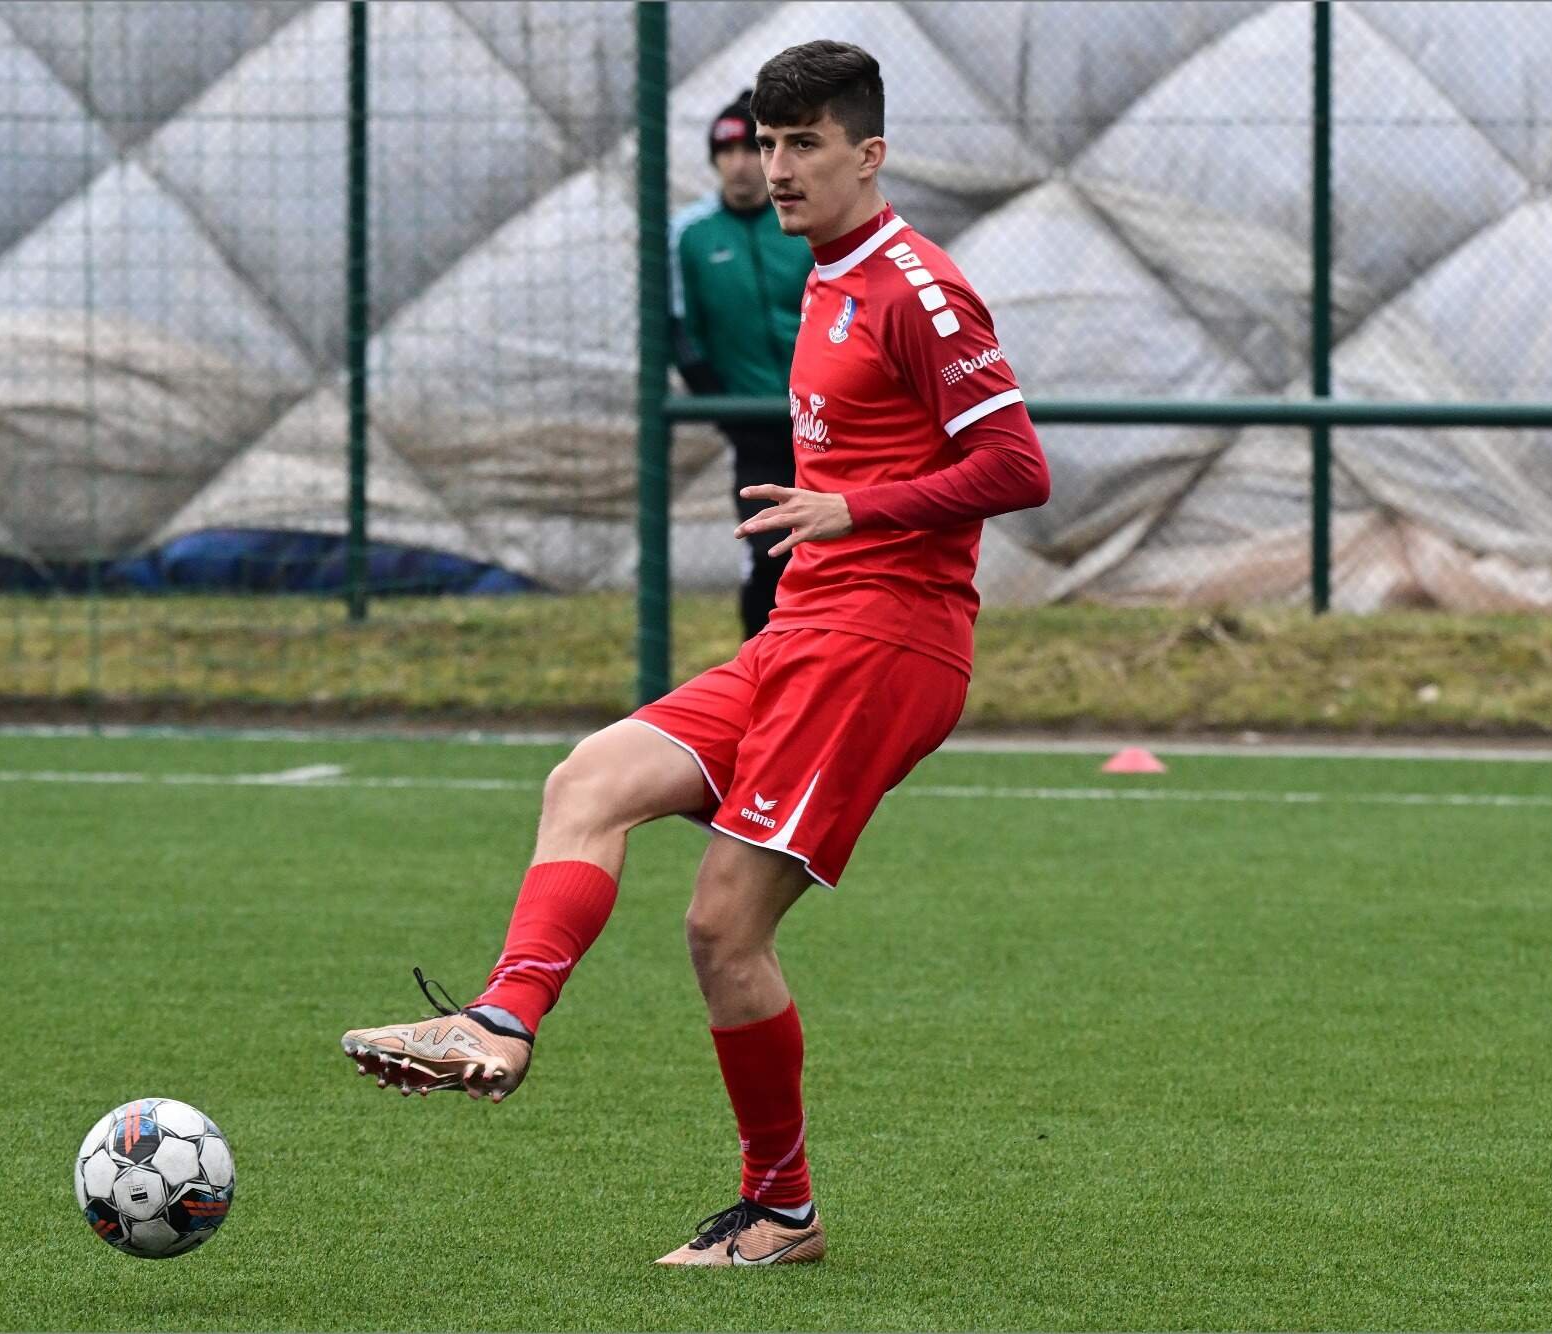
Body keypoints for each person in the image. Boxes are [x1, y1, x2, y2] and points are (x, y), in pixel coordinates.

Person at [340, 39, 1050, 1268]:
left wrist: (854, 508)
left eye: (803, 144)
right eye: (766, 144)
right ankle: (499, 1018)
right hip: (804, 629)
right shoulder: (822, 276)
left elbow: (1016, 466)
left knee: (722, 928)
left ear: (869, 154)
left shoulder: (917, 290)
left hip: (882, 642)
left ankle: (779, 1211)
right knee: (589, 778)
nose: (777, 168)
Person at [671, 89, 815, 638]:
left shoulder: (805, 225)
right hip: (752, 425)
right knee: (767, 552)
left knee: (831, 553)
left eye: (749, 149)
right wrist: (723, 407)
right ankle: (761, 664)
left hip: (821, 418)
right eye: (725, 151)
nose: (738, 164)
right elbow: (680, 330)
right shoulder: (691, 235)